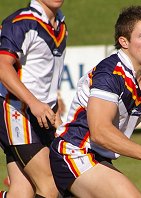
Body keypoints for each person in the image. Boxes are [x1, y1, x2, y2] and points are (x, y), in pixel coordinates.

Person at [49, 5, 141, 197]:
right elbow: (100, 132)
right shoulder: (110, 73)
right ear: (124, 41)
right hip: (75, 152)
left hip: (98, 159)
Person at [0, 0, 67, 197]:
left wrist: (54, 107)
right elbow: (3, 67)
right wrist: (34, 103)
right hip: (16, 111)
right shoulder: (22, 22)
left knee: (22, 192)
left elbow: (45, 75)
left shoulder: (61, 24)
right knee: (51, 184)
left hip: (41, 115)